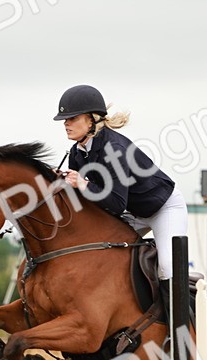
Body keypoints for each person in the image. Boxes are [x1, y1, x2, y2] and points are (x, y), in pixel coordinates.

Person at [53, 84, 187, 320]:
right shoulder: (77, 152)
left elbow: (115, 203)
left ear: (92, 120)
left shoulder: (113, 149)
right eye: (65, 119)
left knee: (167, 266)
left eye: (72, 118)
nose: (66, 123)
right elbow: (85, 200)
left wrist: (82, 183)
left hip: (163, 208)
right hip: (133, 211)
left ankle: (177, 324)